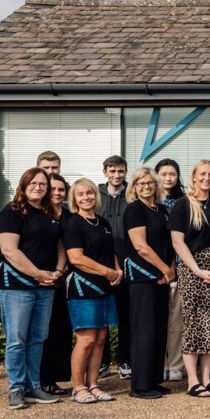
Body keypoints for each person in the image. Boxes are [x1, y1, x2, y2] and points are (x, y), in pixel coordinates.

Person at [0, 168, 66, 409]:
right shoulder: (12, 212)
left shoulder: (51, 214)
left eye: (43, 184)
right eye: (34, 183)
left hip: (45, 286)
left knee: (38, 338)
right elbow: (9, 250)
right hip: (18, 286)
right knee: (17, 339)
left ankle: (33, 385)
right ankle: (16, 389)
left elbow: (60, 247)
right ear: (24, 185)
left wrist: (58, 271)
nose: (38, 187)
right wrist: (37, 274)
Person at [169, 160, 210, 398]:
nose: (207, 178)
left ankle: (207, 378)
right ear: (194, 177)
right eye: (203, 174)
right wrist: (197, 270)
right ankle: (193, 381)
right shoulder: (182, 205)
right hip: (192, 270)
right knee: (194, 325)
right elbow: (178, 242)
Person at [64, 177, 122, 404]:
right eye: (80, 194)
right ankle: (78, 388)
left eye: (89, 193)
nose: (86, 197)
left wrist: (116, 271)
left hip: (105, 287)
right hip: (82, 287)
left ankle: (93, 384)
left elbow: (111, 251)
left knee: (100, 338)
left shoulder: (103, 222)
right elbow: (76, 258)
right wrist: (107, 272)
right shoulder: (73, 223)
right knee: (86, 339)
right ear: (74, 199)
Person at [123, 167, 174, 400]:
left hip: (163, 278)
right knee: (144, 330)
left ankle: (154, 379)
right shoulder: (134, 210)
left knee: (158, 329)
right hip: (142, 277)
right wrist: (163, 268)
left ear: (156, 186)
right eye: (141, 183)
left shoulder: (163, 210)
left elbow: (171, 242)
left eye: (150, 183)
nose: (146, 187)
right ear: (134, 187)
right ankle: (140, 386)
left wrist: (170, 270)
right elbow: (141, 247)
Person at [97, 154, 132, 380]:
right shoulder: (96, 194)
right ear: (105, 172)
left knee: (126, 314)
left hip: (127, 263)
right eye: (112, 170)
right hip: (100, 263)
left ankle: (125, 359)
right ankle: (101, 362)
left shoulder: (132, 193)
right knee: (101, 316)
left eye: (120, 171)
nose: (116, 175)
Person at [38, 174, 72, 396]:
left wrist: (63, 270)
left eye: (61, 189)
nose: (57, 193)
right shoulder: (39, 215)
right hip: (41, 279)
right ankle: (42, 379)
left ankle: (55, 379)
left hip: (64, 281)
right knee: (44, 332)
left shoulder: (69, 215)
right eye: (53, 189)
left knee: (61, 330)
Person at [155, 158, 187, 381]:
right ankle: (157, 363)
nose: (168, 178)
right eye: (163, 174)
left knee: (177, 319)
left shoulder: (184, 201)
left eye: (172, 174)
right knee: (155, 320)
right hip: (154, 267)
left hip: (180, 265)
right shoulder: (149, 201)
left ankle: (175, 364)